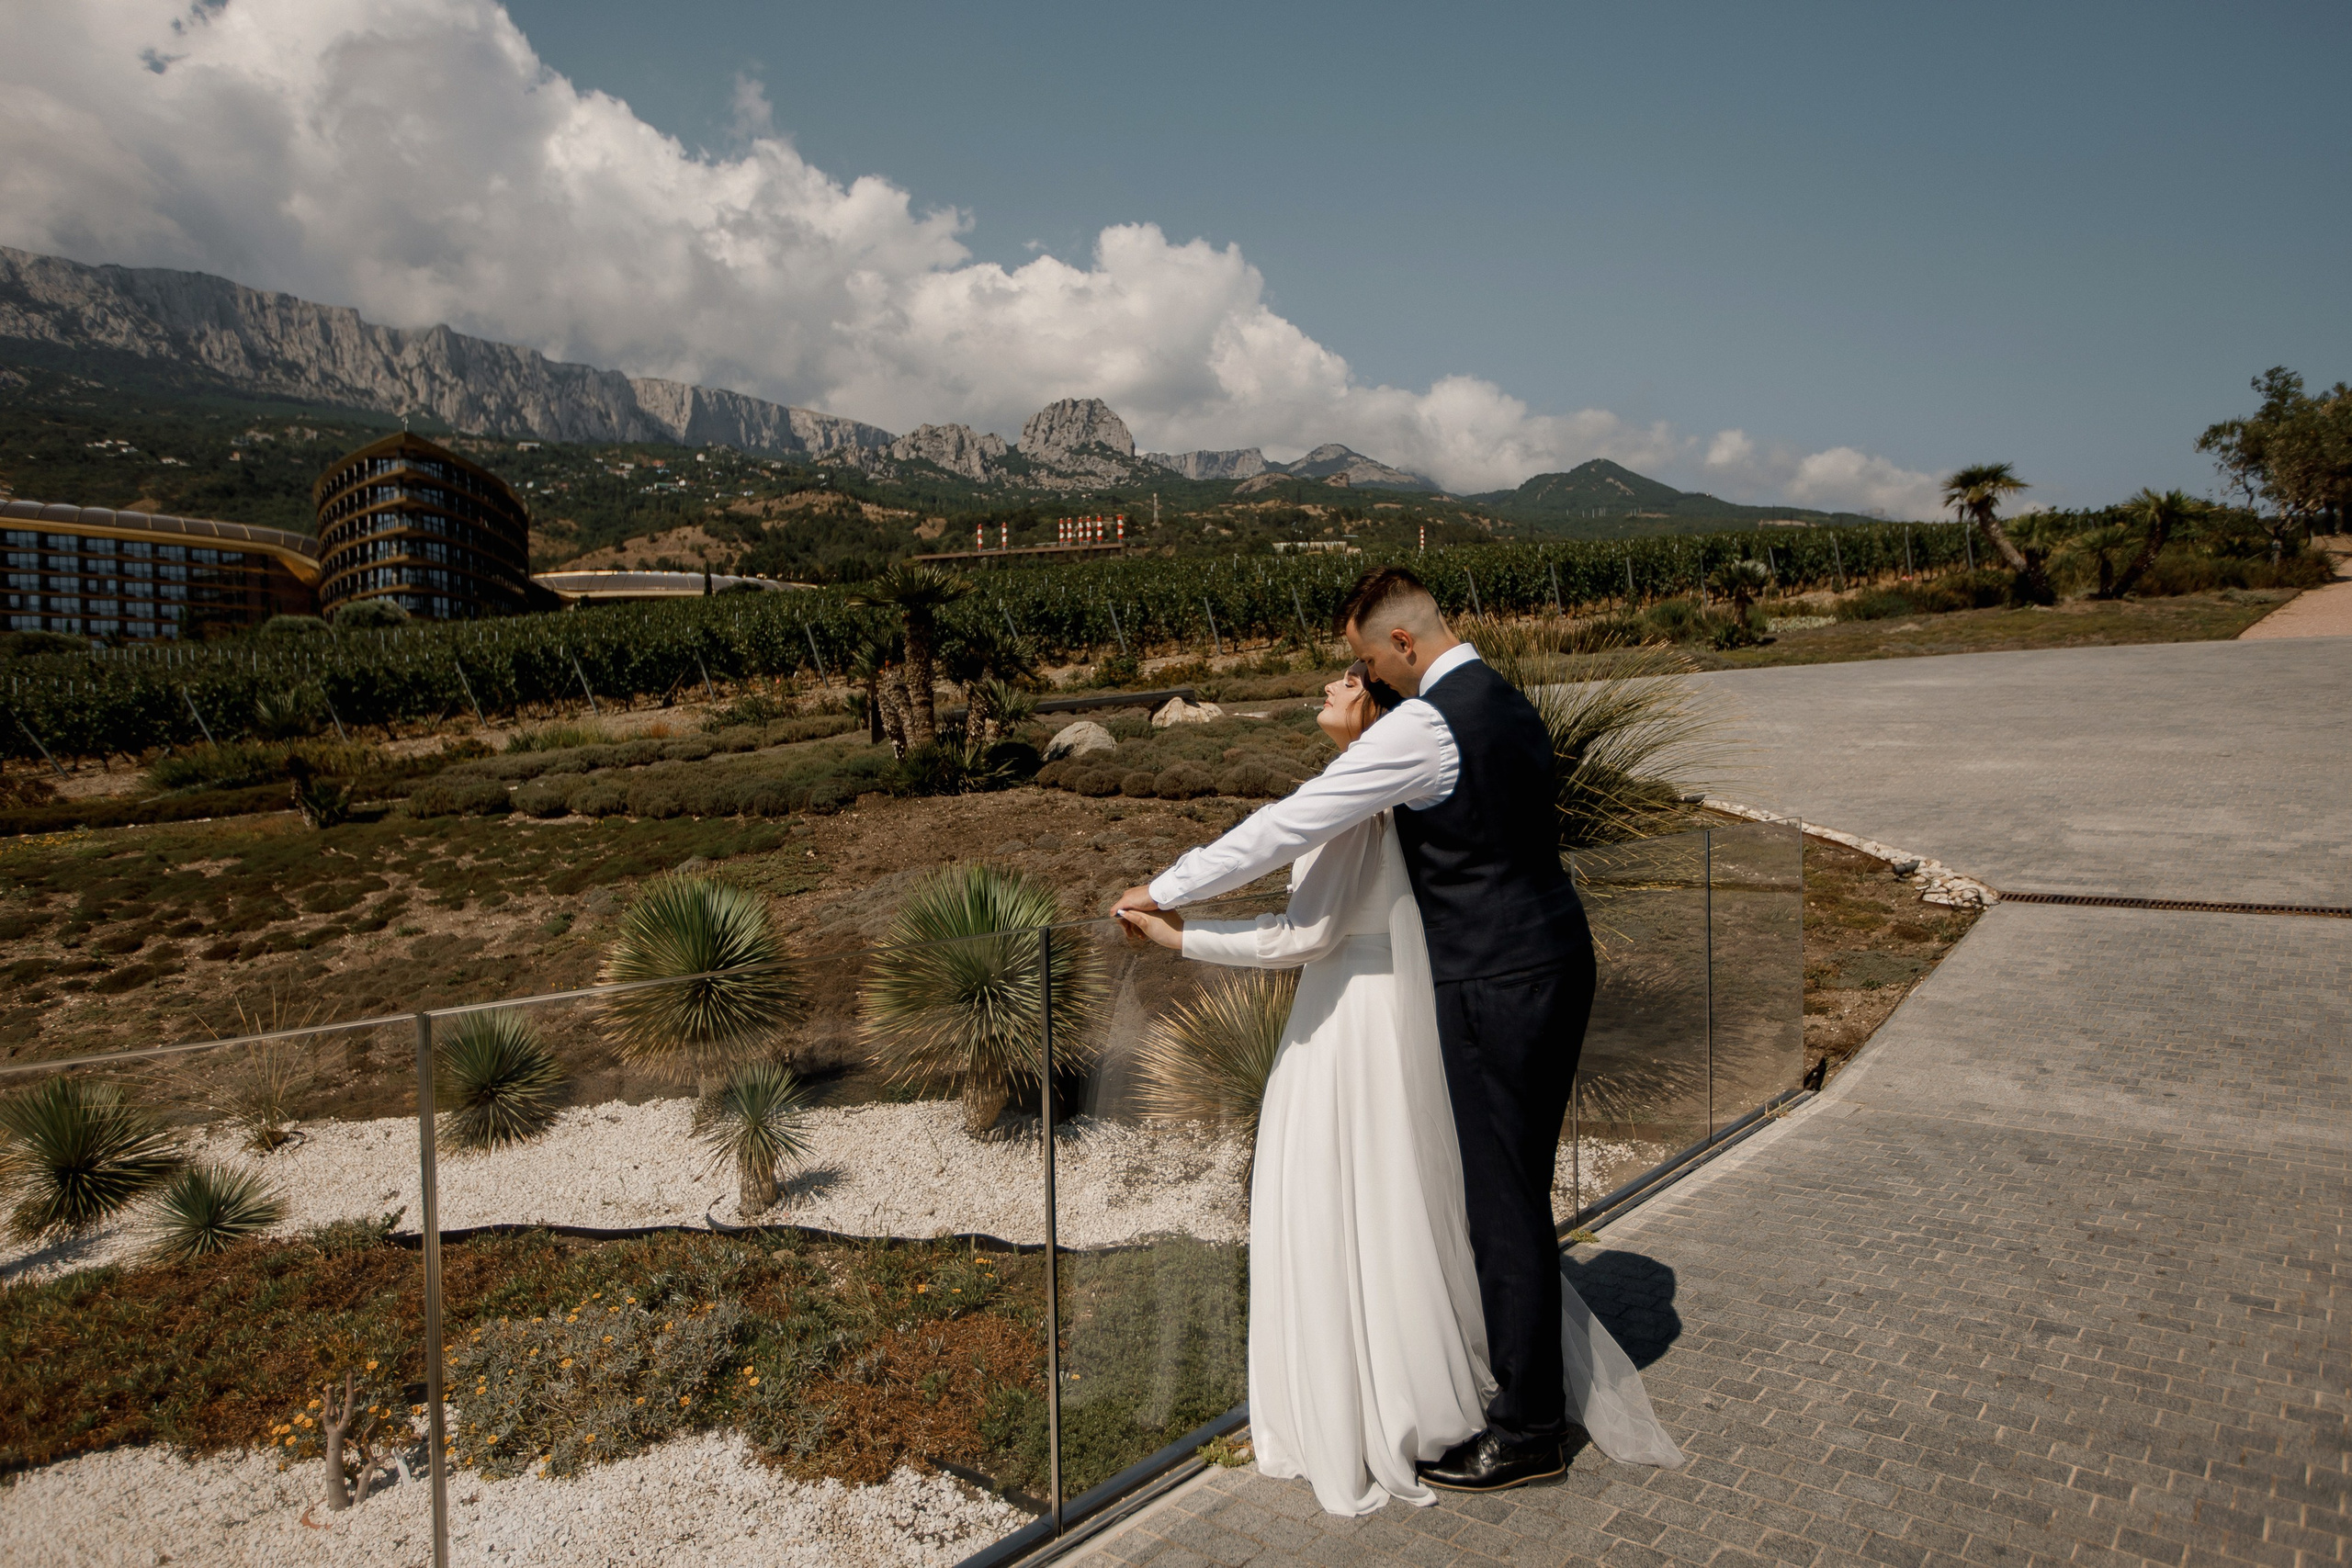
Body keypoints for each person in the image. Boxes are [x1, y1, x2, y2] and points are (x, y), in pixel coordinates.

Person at [1115, 568, 1682, 1503]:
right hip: (1554, 957)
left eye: (1365, 657)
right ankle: (1513, 1389)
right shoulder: (1506, 700)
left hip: (1495, 981)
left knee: (1501, 1205)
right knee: (1509, 1192)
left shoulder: (1425, 724)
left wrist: (1168, 890)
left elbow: (1291, 822)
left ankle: (1528, 1430)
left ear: (1403, 644)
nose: (1365, 674)